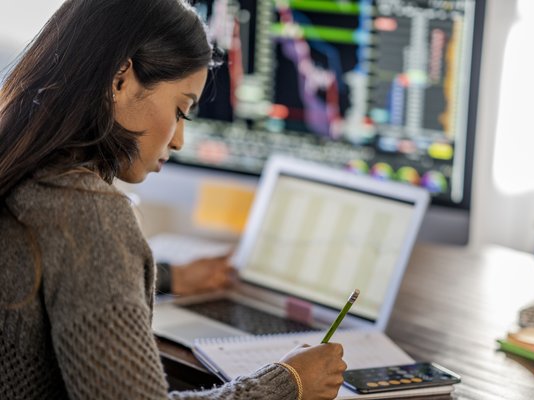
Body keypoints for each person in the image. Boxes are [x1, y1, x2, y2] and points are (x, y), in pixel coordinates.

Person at [0, 0, 347, 399]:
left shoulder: (21, 171)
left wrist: (168, 277)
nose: (179, 140)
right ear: (120, 81)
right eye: (181, 110)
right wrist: (290, 382)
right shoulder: (88, 214)